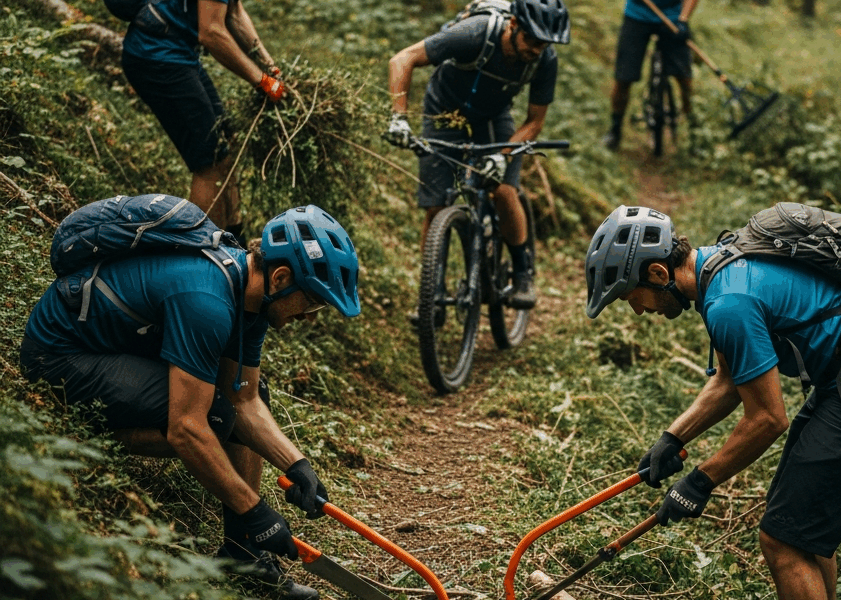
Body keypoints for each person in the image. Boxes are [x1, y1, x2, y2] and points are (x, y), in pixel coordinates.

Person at [20, 203, 362, 600]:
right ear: (281, 277)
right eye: (313, 302)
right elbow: (188, 428)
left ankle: (242, 556)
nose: (310, 317)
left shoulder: (250, 302)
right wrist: (255, 511)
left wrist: (296, 463)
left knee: (235, 403)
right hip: (61, 356)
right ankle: (85, 435)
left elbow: (246, 398)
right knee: (212, 422)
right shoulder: (207, 299)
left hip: (116, 351)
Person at [584, 206, 841, 600]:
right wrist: (672, 437)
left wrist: (700, 481)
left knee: (783, 540)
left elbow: (767, 419)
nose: (639, 309)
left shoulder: (729, 303)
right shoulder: (720, 267)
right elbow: (729, 381)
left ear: (659, 274)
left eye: (633, 297)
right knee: (799, 530)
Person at [384, 0, 571, 310]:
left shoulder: (544, 61)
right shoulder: (473, 33)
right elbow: (402, 59)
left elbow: (534, 122)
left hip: (493, 118)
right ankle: (430, 292)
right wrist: (398, 118)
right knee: (436, 205)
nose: (539, 49)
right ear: (513, 25)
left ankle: (523, 273)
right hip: (444, 112)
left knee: (503, 190)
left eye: (546, 43)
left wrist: (503, 155)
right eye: (533, 40)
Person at [120, 0, 287, 235]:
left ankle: (234, 237)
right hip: (157, 57)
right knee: (210, 160)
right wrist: (262, 82)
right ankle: (202, 249)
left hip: (179, 52)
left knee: (226, 142)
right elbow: (211, 33)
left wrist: (271, 69)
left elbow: (235, 13)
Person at [601, 0, 700, 151]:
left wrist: (683, 20)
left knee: (684, 78)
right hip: (637, 16)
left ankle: (694, 129)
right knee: (623, 78)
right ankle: (615, 129)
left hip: (673, 18)